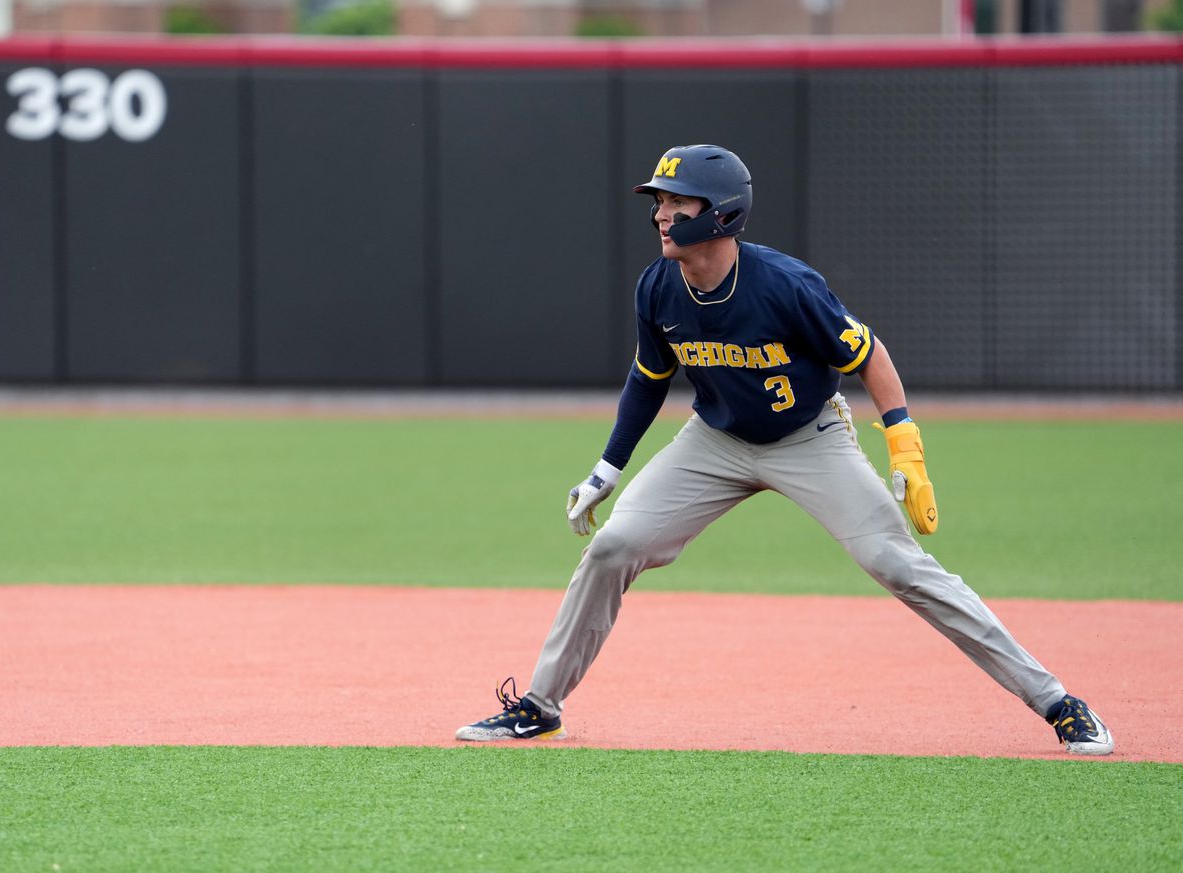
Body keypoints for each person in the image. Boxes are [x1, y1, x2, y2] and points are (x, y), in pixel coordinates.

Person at [454, 144, 1113, 756]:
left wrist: (905, 448)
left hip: (809, 437)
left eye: (675, 202)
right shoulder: (658, 286)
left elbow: (869, 355)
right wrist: (607, 468)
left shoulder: (785, 285)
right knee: (613, 545)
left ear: (720, 214)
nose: (659, 213)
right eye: (658, 201)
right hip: (715, 440)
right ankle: (540, 706)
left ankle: (1057, 701)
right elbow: (648, 378)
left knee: (897, 562)